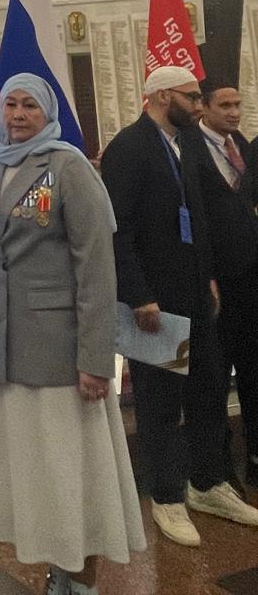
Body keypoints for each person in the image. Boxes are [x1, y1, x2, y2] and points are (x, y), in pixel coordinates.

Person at [0, 72, 144, 595]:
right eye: (11, 105)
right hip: (4, 350)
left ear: (49, 114)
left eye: (30, 107)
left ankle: (81, 582)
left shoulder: (69, 167)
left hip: (60, 355)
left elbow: (96, 269)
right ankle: (56, 572)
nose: (18, 115)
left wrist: (96, 359)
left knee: (71, 477)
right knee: (35, 478)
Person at [101, 65, 258, 547]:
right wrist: (138, 295)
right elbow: (118, 230)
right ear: (162, 96)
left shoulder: (186, 144)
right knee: (162, 401)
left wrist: (208, 277)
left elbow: (199, 219)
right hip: (155, 301)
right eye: (191, 97)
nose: (197, 105)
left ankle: (207, 484)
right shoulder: (129, 148)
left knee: (208, 389)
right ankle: (167, 496)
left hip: (196, 293)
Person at [198, 77, 258, 487]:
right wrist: (206, 274)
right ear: (203, 107)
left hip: (249, 280)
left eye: (238, 105)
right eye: (225, 105)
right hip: (214, 284)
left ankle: (254, 458)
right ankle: (217, 470)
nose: (234, 113)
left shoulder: (243, 146)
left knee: (253, 370)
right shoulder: (189, 150)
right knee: (213, 378)